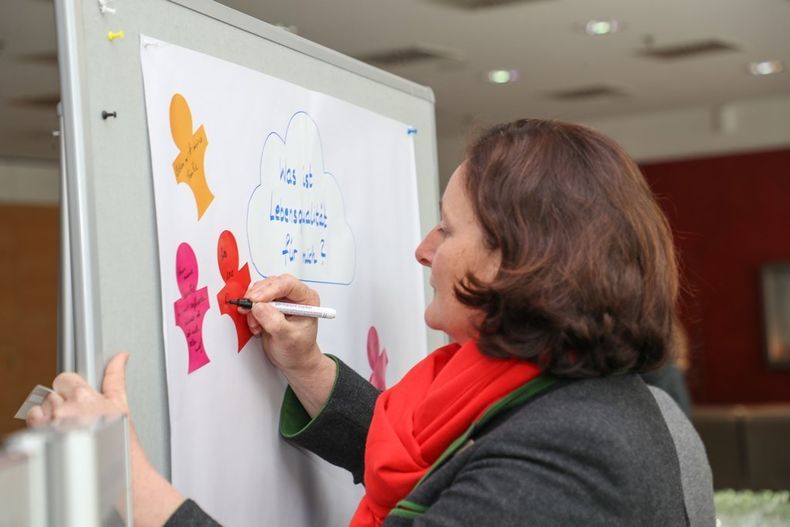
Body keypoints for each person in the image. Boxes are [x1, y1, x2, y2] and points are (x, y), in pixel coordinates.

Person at [27, 119, 715, 526]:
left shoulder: (575, 452)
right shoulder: (568, 396)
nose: (423, 248)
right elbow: (436, 463)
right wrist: (309, 367)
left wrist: (127, 484)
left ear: (518, 262)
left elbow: (480, 483)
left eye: (447, 228)